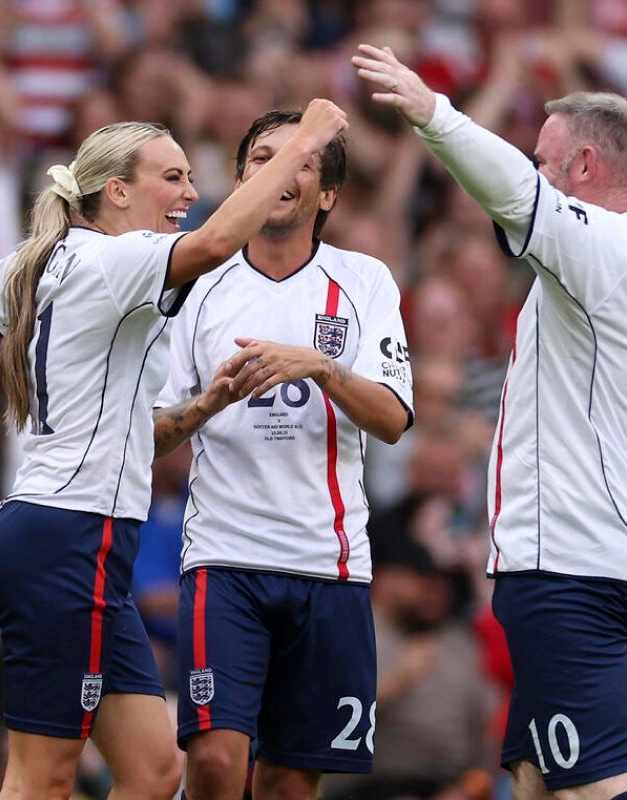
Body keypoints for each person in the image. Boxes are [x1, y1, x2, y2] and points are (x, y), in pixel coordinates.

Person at [0, 100, 350, 800]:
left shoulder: (42, 262)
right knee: (41, 779)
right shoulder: (118, 260)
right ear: (116, 191)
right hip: (70, 541)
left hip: (61, 538)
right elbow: (217, 243)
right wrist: (305, 138)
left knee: (154, 772)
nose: (189, 192)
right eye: (173, 176)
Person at [351, 42, 627, 800]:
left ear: (584, 168)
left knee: (593, 789)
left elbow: (510, 190)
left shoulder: (594, 245)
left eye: (547, 160)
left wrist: (431, 112)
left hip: (567, 568)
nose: (538, 173)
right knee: (532, 778)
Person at [148, 107, 413, 800]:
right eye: (261, 158)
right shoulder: (197, 286)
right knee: (211, 762)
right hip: (224, 561)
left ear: (327, 194)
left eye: (299, 158)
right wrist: (207, 404)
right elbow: (145, 435)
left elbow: (391, 419)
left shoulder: (364, 282)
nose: (277, 171)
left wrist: (321, 369)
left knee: (292, 783)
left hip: (327, 565)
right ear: (239, 181)